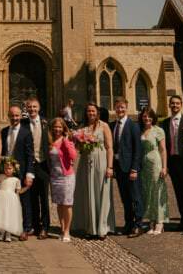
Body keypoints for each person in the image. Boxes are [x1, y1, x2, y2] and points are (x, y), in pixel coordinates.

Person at [72, 102, 114, 240]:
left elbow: (109, 148)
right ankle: (90, 227)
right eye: (89, 111)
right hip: (86, 163)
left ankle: (102, 228)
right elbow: (78, 149)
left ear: (97, 113)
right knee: (88, 193)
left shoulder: (104, 126)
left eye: (93, 111)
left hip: (101, 163)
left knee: (101, 193)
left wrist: (109, 167)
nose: (91, 113)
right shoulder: (82, 128)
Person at [161, 95, 183, 235]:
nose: (175, 105)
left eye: (177, 103)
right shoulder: (164, 123)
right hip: (173, 162)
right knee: (178, 193)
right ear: (169, 105)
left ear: (181, 104)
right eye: (172, 103)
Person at [0, 104, 35, 241]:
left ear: (20, 116)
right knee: (6, 201)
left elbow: (30, 154)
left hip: (21, 171)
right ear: (8, 116)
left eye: (17, 115)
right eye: (12, 115)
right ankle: (6, 227)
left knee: (24, 201)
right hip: (6, 171)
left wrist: (29, 174)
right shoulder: (3, 131)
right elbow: (2, 151)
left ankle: (26, 228)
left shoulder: (26, 132)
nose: (14, 118)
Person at [110, 97, 144, 237]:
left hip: (130, 168)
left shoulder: (133, 125)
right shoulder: (113, 125)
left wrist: (135, 169)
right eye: (118, 107)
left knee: (135, 197)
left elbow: (138, 149)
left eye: (122, 107)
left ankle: (138, 225)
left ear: (127, 107)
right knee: (125, 198)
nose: (120, 109)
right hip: (119, 168)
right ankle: (128, 224)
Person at [23, 97, 52, 239]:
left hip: (44, 164)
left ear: (39, 108)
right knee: (32, 197)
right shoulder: (23, 124)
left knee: (44, 198)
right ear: (26, 109)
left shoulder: (47, 123)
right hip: (30, 165)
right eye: (29, 107)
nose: (32, 109)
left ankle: (45, 227)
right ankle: (35, 226)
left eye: (34, 107)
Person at [138, 107, 168, 235]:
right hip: (144, 165)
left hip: (155, 162)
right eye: (145, 116)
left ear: (153, 117)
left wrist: (164, 167)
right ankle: (151, 220)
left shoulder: (158, 130)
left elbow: (163, 150)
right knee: (147, 192)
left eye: (149, 116)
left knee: (157, 191)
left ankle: (160, 221)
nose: (147, 118)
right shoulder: (140, 130)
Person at [47, 117, 76, 241]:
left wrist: (65, 142)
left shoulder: (66, 140)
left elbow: (73, 156)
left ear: (63, 128)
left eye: (59, 127)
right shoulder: (50, 140)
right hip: (54, 177)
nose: (57, 129)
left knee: (67, 204)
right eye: (55, 127)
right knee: (59, 204)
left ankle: (67, 231)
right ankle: (62, 228)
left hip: (66, 176)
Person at [0, 157, 25, 242]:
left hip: (11, 199)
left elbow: (18, 191)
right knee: (2, 214)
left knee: (9, 215)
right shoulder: (1, 176)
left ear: (14, 169)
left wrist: (27, 187)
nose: (7, 170)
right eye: (6, 168)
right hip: (1, 197)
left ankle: (8, 233)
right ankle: (1, 232)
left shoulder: (16, 180)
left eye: (10, 168)